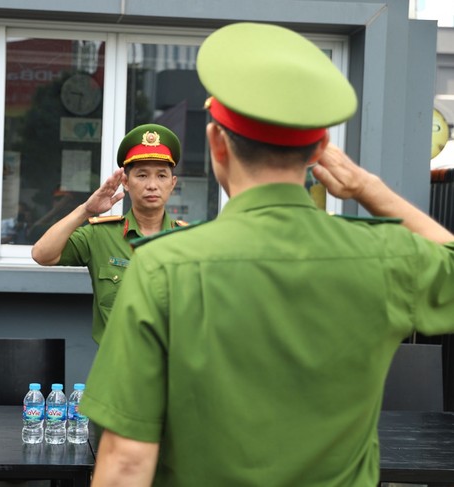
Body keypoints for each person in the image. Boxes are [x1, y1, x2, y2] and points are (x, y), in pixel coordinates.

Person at [80, 22, 454, 486]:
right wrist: (369, 189)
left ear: (217, 144)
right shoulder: (383, 256)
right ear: (319, 148)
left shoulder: (163, 268)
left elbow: (127, 463)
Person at [31, 123, 187, 344]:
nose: (152, 185)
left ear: (172, 184)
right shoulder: (100, 235)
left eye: (161, 176)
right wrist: (85, 210)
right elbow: (41, 254)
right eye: (142, 175)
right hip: (116, 371)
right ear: (125, 182)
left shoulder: (189, 241)